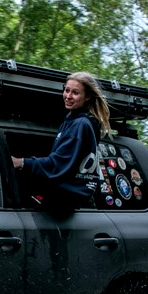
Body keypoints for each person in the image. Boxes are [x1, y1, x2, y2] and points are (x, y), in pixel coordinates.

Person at [11, 71, 111, 212]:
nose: (68, 96)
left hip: (71, 205)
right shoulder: (73, 121)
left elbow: (58, 165)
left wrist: (21, 163)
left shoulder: (80, 124)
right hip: (78, 205)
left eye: (75, 93)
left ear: (88, 96)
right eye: (67, 90)